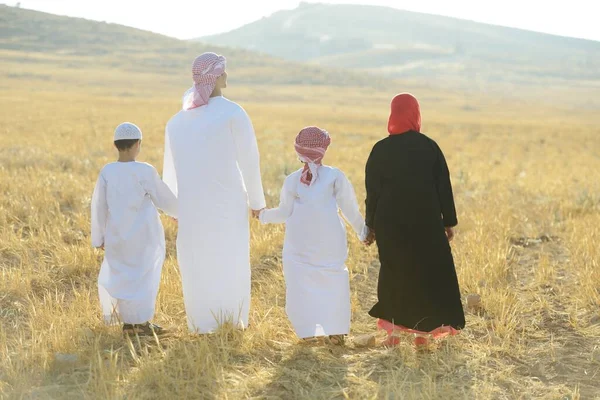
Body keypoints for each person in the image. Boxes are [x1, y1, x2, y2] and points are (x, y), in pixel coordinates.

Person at [163, 52, 266, 333]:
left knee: (197, 261)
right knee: (230, 257)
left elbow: (168, 171)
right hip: (228, 202)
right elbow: (249, 160)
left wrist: (175, 209)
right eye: (223, 72)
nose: (227, 76)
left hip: (191, 206)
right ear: (216, 77)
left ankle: (201, 324)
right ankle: (233, 321)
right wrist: (257, 202)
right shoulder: (233, 113)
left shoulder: (175, 122)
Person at [364, 93, 465, 347]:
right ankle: (423, 335)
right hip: (426, 222)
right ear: (415, 114)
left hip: (390, 224)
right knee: (426, 273)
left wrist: (371, 225)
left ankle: (393, 335)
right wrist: (448, 222)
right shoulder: (429, 147)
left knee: (394, 272)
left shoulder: (380, 149)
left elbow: (372, 192)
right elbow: (444, 187)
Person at [259, 126, 367, 345]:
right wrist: (363, 232)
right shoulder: (335, 176)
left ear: (298, 151)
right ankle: (336, 332)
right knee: (334, 279)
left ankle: (308, 333)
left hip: (299, 242)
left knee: (300, 283)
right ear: (323, 149)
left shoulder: (291, 180)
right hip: (330, 240)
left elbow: (282, 213)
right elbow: (350, 209)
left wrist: (262, 216)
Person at [91, 122, 178, 336]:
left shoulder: (107, 171)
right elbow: (164, 199)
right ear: (138, 144)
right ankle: (140, 324)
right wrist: (179, 213)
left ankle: (130, 324)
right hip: (144, 235)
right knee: (144, 276)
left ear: (115, 145)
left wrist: (99, 237)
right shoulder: (144, 170)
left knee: (124, 277)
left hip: (117, 235)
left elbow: (98, 205)